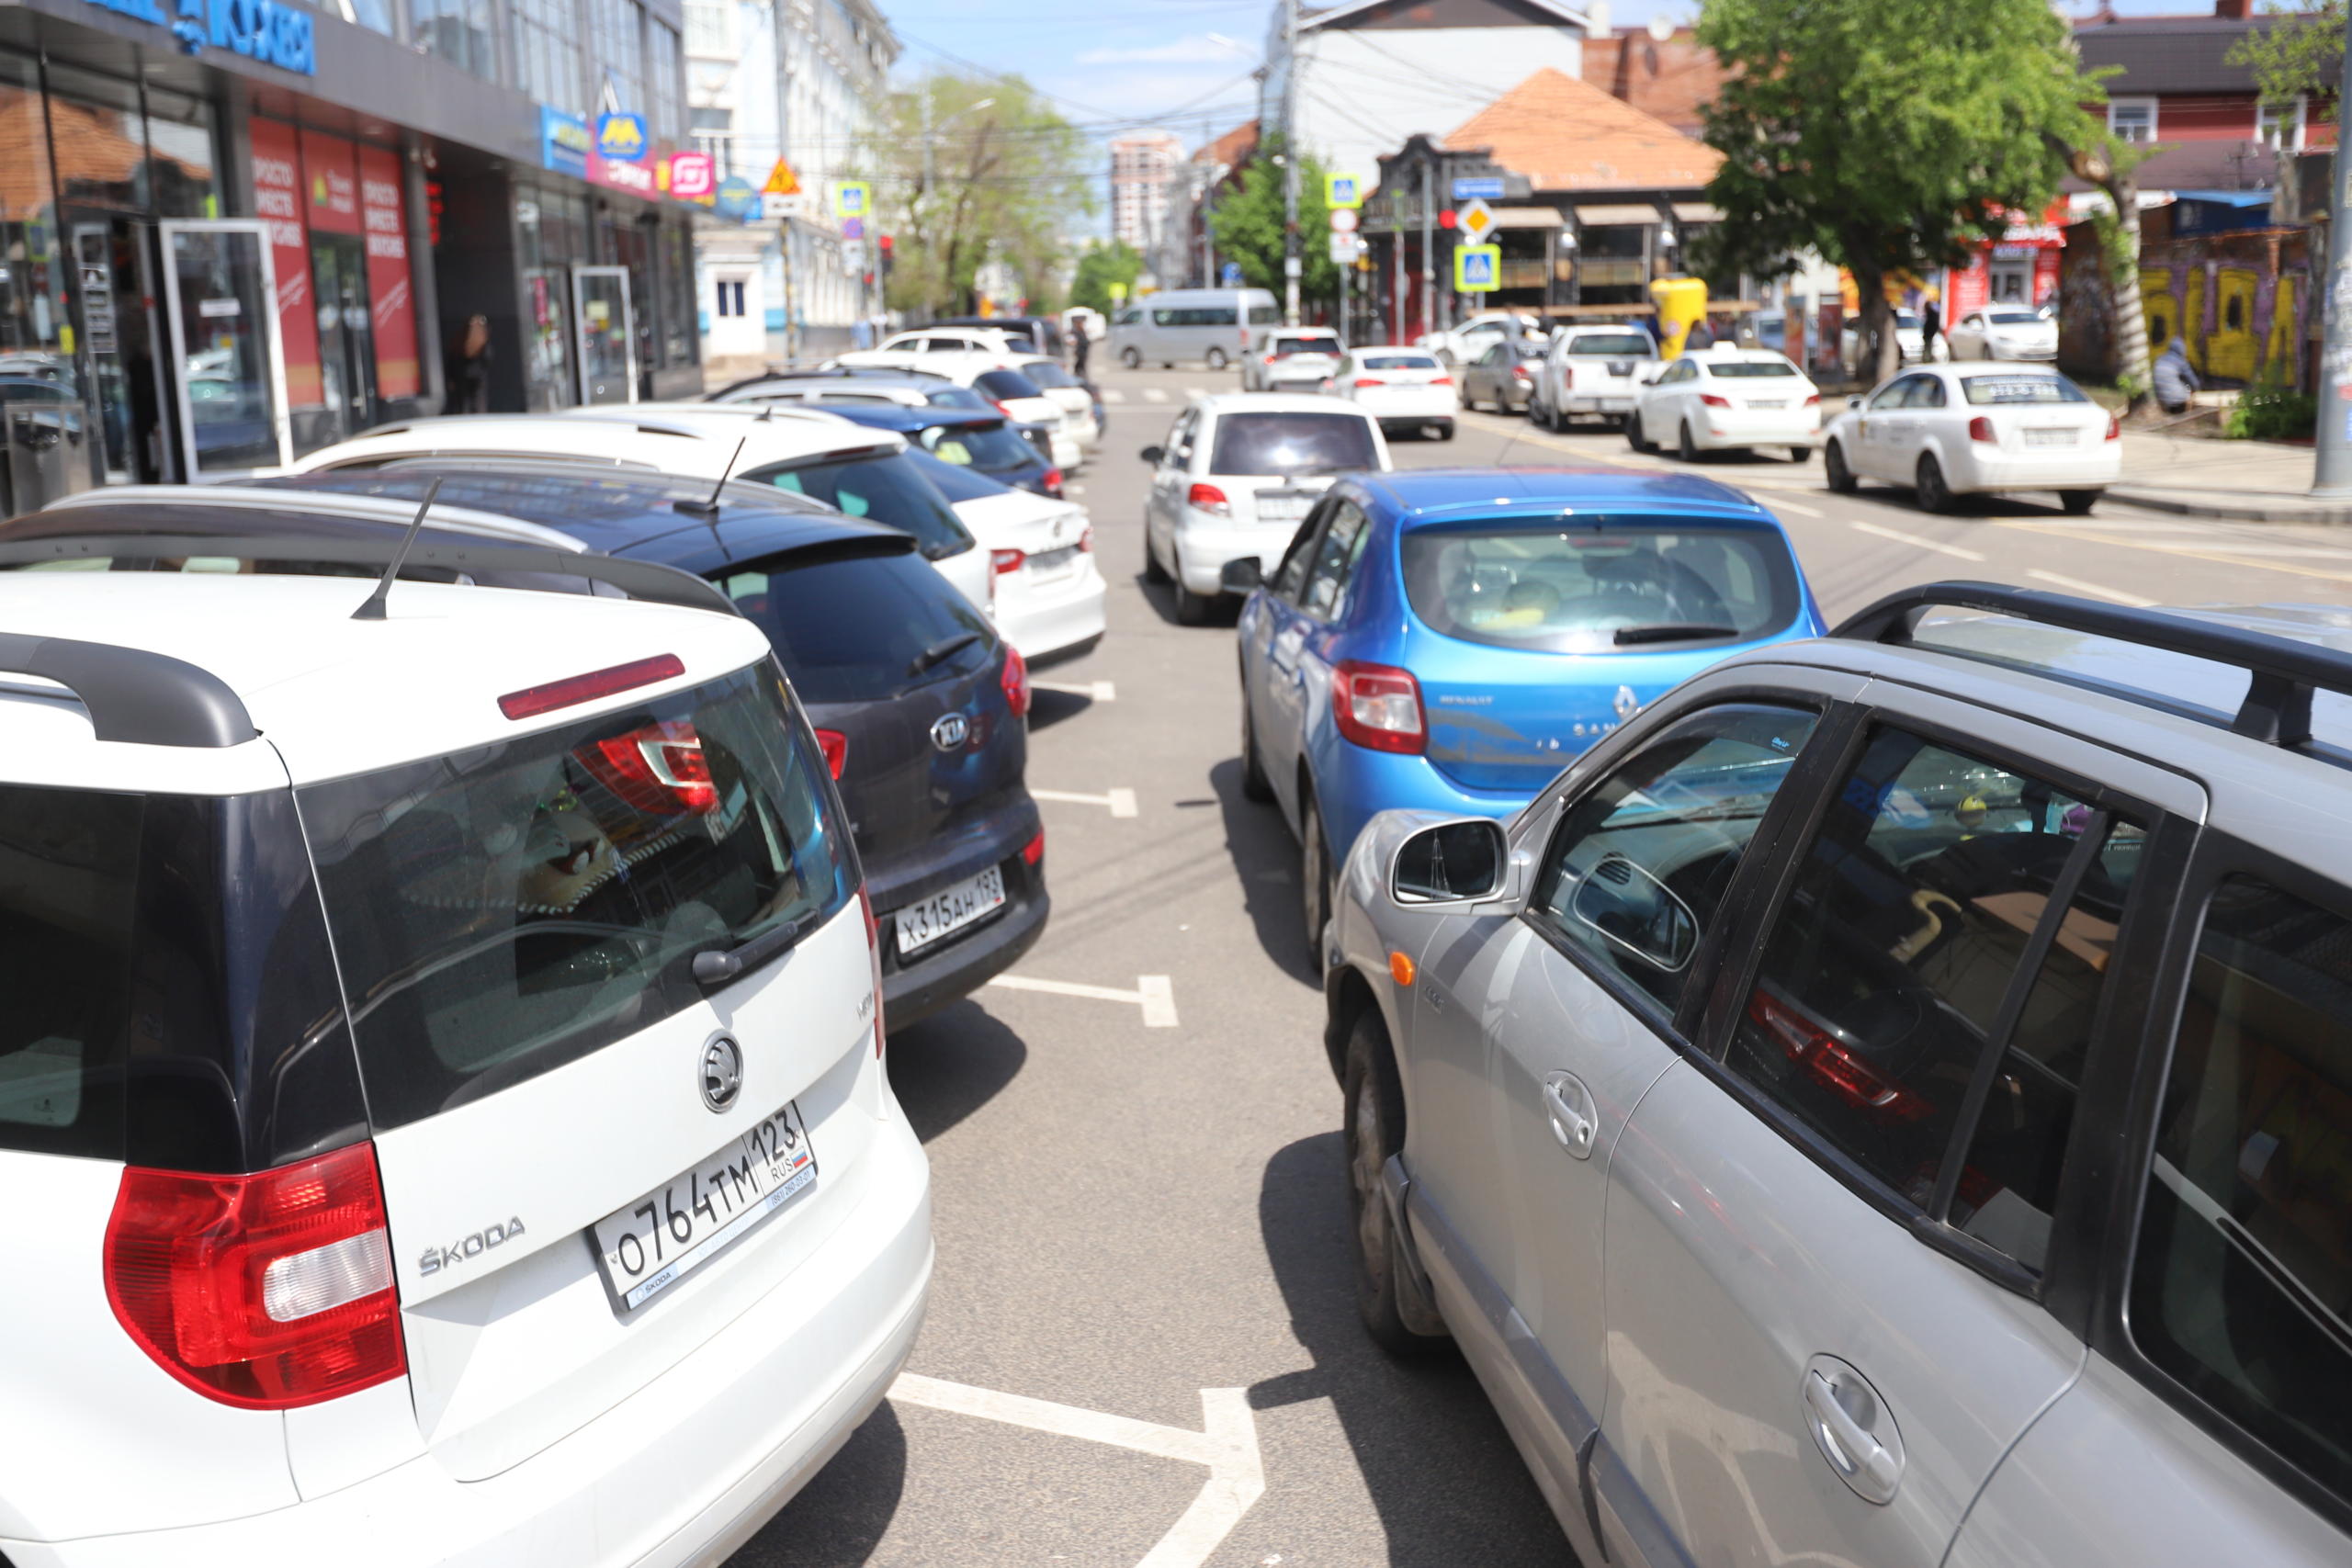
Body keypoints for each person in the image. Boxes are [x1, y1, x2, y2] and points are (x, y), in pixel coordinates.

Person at [447, 313, 492, 413]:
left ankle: (471, 414)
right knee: (469, 399)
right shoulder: (462, 339)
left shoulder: (482, 338)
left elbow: (487, 357)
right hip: (466, 374)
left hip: (470, 375)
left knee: (471, 399)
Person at [2154, 338, 2200, 415]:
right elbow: (2193, 383)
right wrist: (2194, 390)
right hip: (2177, 402)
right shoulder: (2180, 362)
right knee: (2187, 386)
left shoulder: (2160, 359)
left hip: (2161, 400)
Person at [1919, 296, 1942, 360]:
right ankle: (1927, 358)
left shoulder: (1932, 315)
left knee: (1928, 346)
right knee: (1927, 346)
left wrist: (1931, 333)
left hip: (1929, 334)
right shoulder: (1930, 315)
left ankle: (1928, 358)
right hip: (1928, 335)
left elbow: (1934, 325)